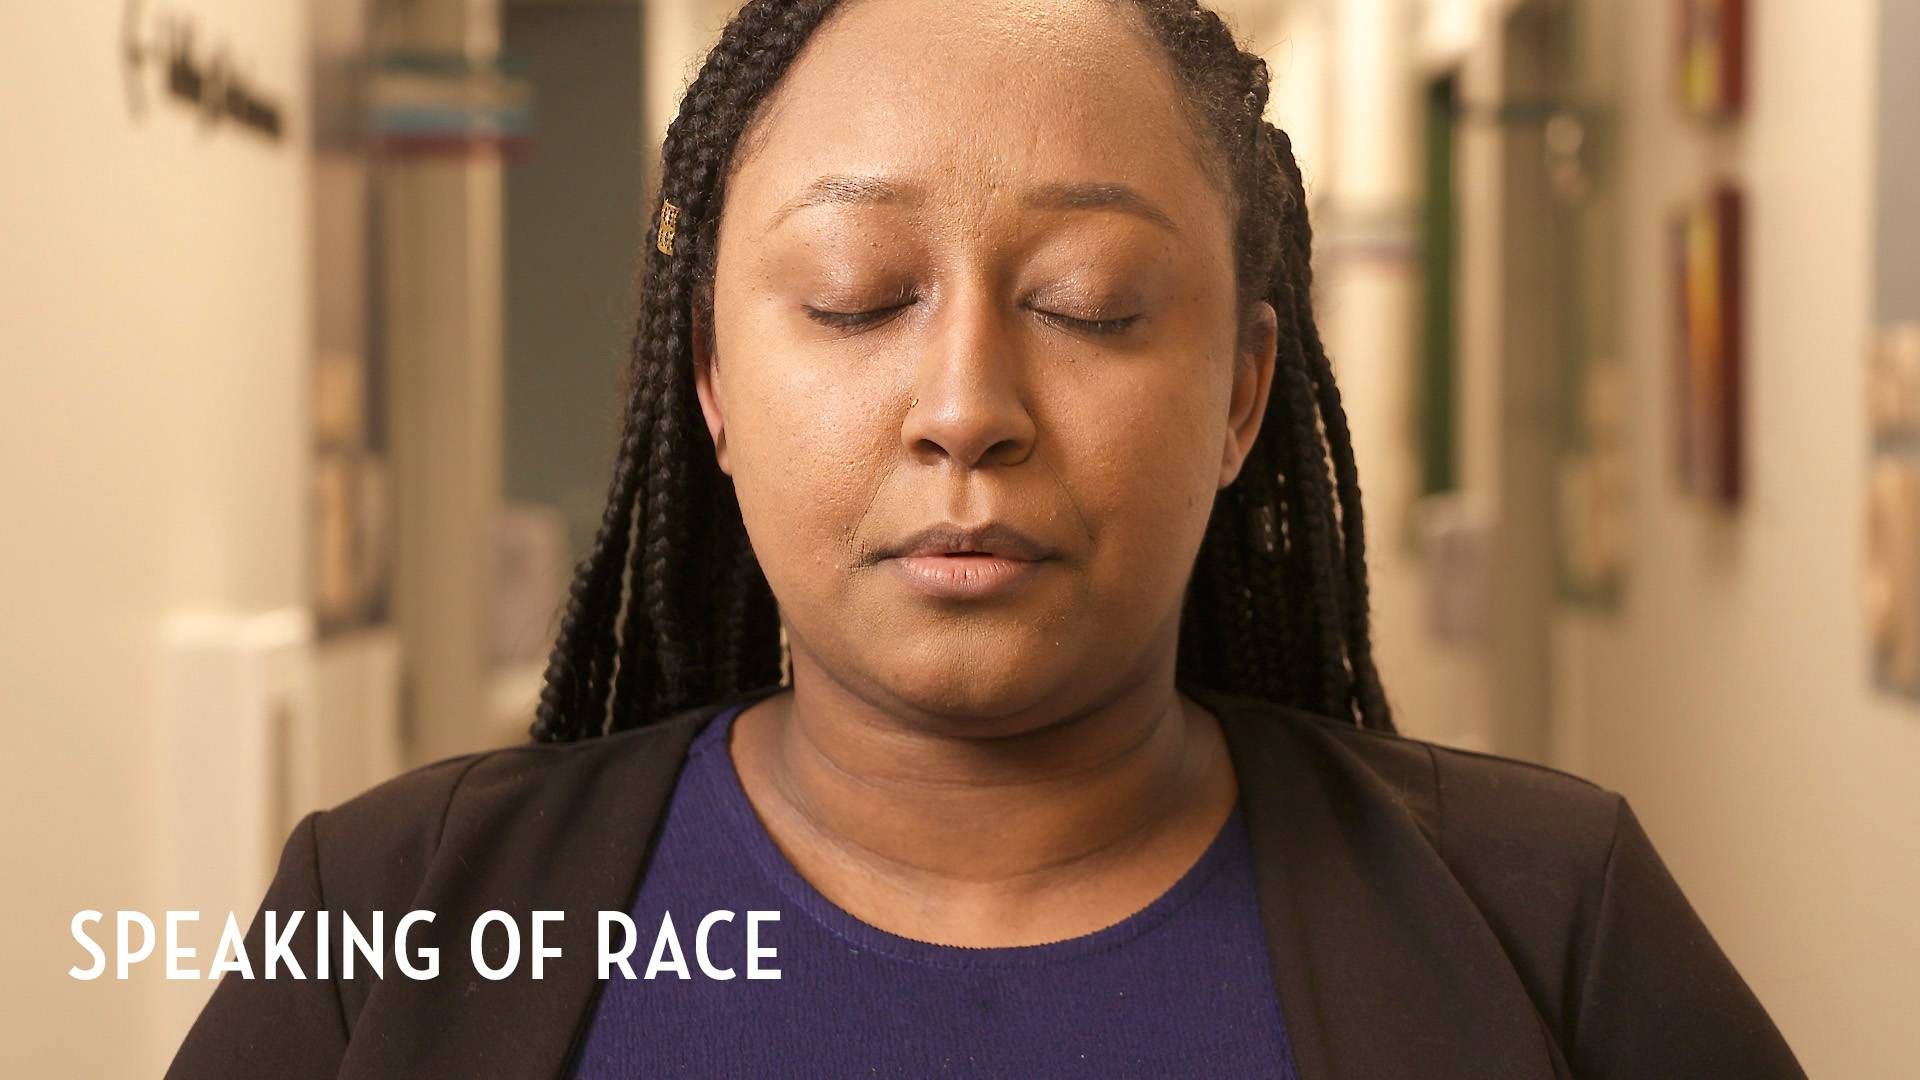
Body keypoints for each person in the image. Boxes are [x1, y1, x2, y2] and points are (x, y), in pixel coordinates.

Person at [168, 0, 1805, 1076]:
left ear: (1241, 392)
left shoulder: (1547, 924)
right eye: (857, 297)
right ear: (718, 380)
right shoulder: (392, 915)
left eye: (1087, 307)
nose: (968, 407)